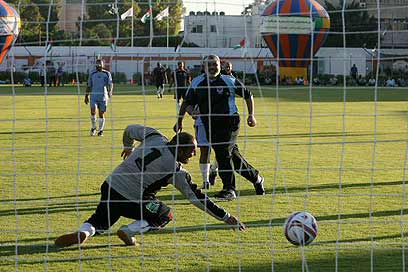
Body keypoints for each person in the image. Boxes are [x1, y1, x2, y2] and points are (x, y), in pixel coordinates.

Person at [54, 125, 245, 247]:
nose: (193, 155)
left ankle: (83, 232)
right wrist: (225, 216)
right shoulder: (175, 171)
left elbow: (129, 129)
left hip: (111, 184)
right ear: (178, 147)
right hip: (131, 198)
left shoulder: (154, 136)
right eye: (190, 151)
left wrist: (128, 146)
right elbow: (197, 198)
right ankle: (129, 231)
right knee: (165, 214)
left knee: (100, 220)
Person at [174, 54, 264, 200]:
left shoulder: (229, 80)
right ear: (204, 67)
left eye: (214, 64)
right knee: (232, 157)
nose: (212, 67)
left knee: (222, 153)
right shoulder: (197, 83)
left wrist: (251, 115)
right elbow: (187, 103)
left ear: (219, 65)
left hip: (230, 123)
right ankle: (256, 178)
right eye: (208, 65)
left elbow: (248, 95)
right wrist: (189, 114)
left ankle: (229, 189)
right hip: (209, 124)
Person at [84, 59, 113, 137]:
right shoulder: (92, 74)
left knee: (101, 113)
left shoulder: (107, 73)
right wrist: (86, 96)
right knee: (93, 111)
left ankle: (100, 130)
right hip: (93, 96)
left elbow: (110, 84)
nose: (98, 65)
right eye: (97, 64)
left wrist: (110, 91)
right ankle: (93, 127)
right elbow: (89, 85)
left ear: (103, 65)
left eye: (100, 64)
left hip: (103, 97)